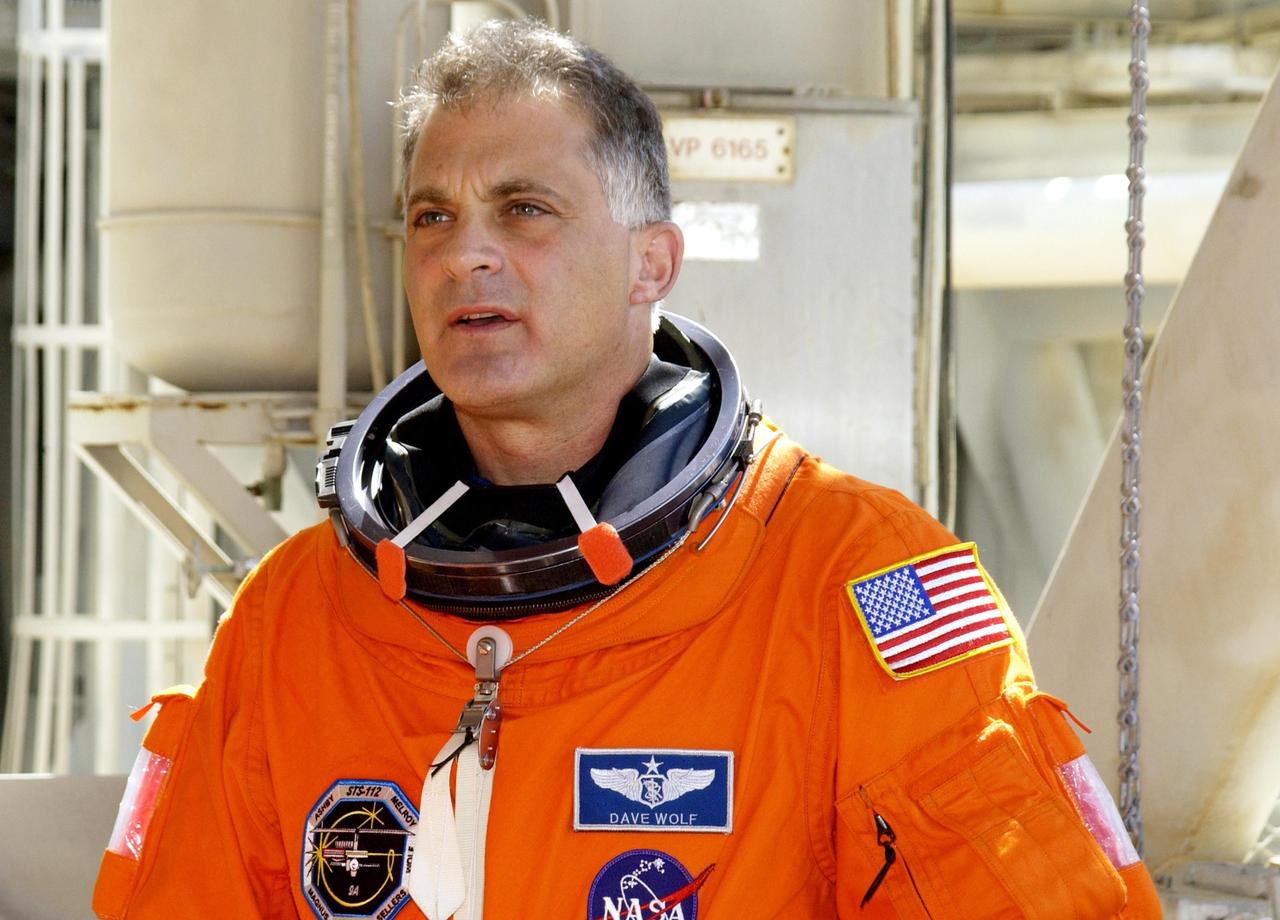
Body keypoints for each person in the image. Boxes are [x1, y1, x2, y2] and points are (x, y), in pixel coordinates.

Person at [93, 18, 1161, 920]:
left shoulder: (853, 585)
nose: (466, 253)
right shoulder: (293, 620)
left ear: (651, 259)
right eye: (432, 216)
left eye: (524, 209)